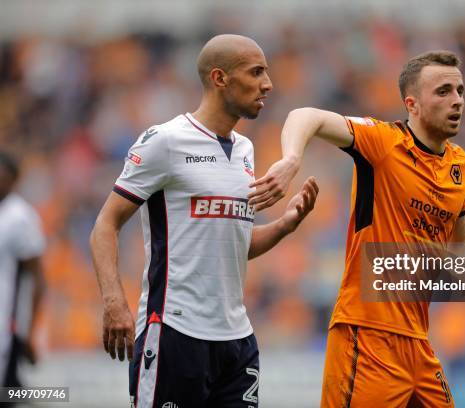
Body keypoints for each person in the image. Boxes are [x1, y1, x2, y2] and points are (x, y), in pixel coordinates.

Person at [249, 51, 465, 407]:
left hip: (418, 341)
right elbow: (304, 115)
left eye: (460, 90)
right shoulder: (382, 143)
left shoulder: (461, 165)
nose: (457, 100)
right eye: (443, 91)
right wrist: (292, 158)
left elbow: (460, 245)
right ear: (412, 104)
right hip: (366, 336)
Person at [89, 34, 319, 408]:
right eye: (256, 71)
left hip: (237, 340)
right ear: (219, 78)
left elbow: (232, 246)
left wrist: (285, 225)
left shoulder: (244, 149)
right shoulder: (164, 141)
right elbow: (105, 225)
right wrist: (115, 302)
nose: (268, 84)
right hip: (175, 333)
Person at [0, 151, 45, 389]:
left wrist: (30, 331)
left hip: (6, 325)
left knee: (7, 392)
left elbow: (36, 277)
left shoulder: (20, 217)